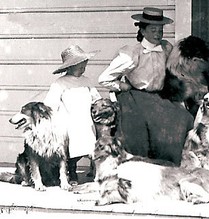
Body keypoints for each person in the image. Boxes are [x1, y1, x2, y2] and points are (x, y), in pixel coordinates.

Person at [98, 7, 194, 165]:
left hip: (160, 96)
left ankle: (169, 164)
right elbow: (105, 78)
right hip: (137, 97)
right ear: (142, 31)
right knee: (141, 126)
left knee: (183, 118)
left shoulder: (166, 48)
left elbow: (176, 69)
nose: (158, 34)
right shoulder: (132, 53)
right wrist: (123, 86)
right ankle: (142, 163)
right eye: (153, 30)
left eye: (160, 30)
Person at [44, 45, 101, 185]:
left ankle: (96, 172)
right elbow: (51, 104)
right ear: (69, 67)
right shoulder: (60, 83)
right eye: (80, 67)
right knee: (72, 149)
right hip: (70, 120)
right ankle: (72, 171)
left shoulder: (86, 81)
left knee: (91, 147)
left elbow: (96, 98)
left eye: (84, 66)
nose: (83, 70)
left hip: (86, 119)